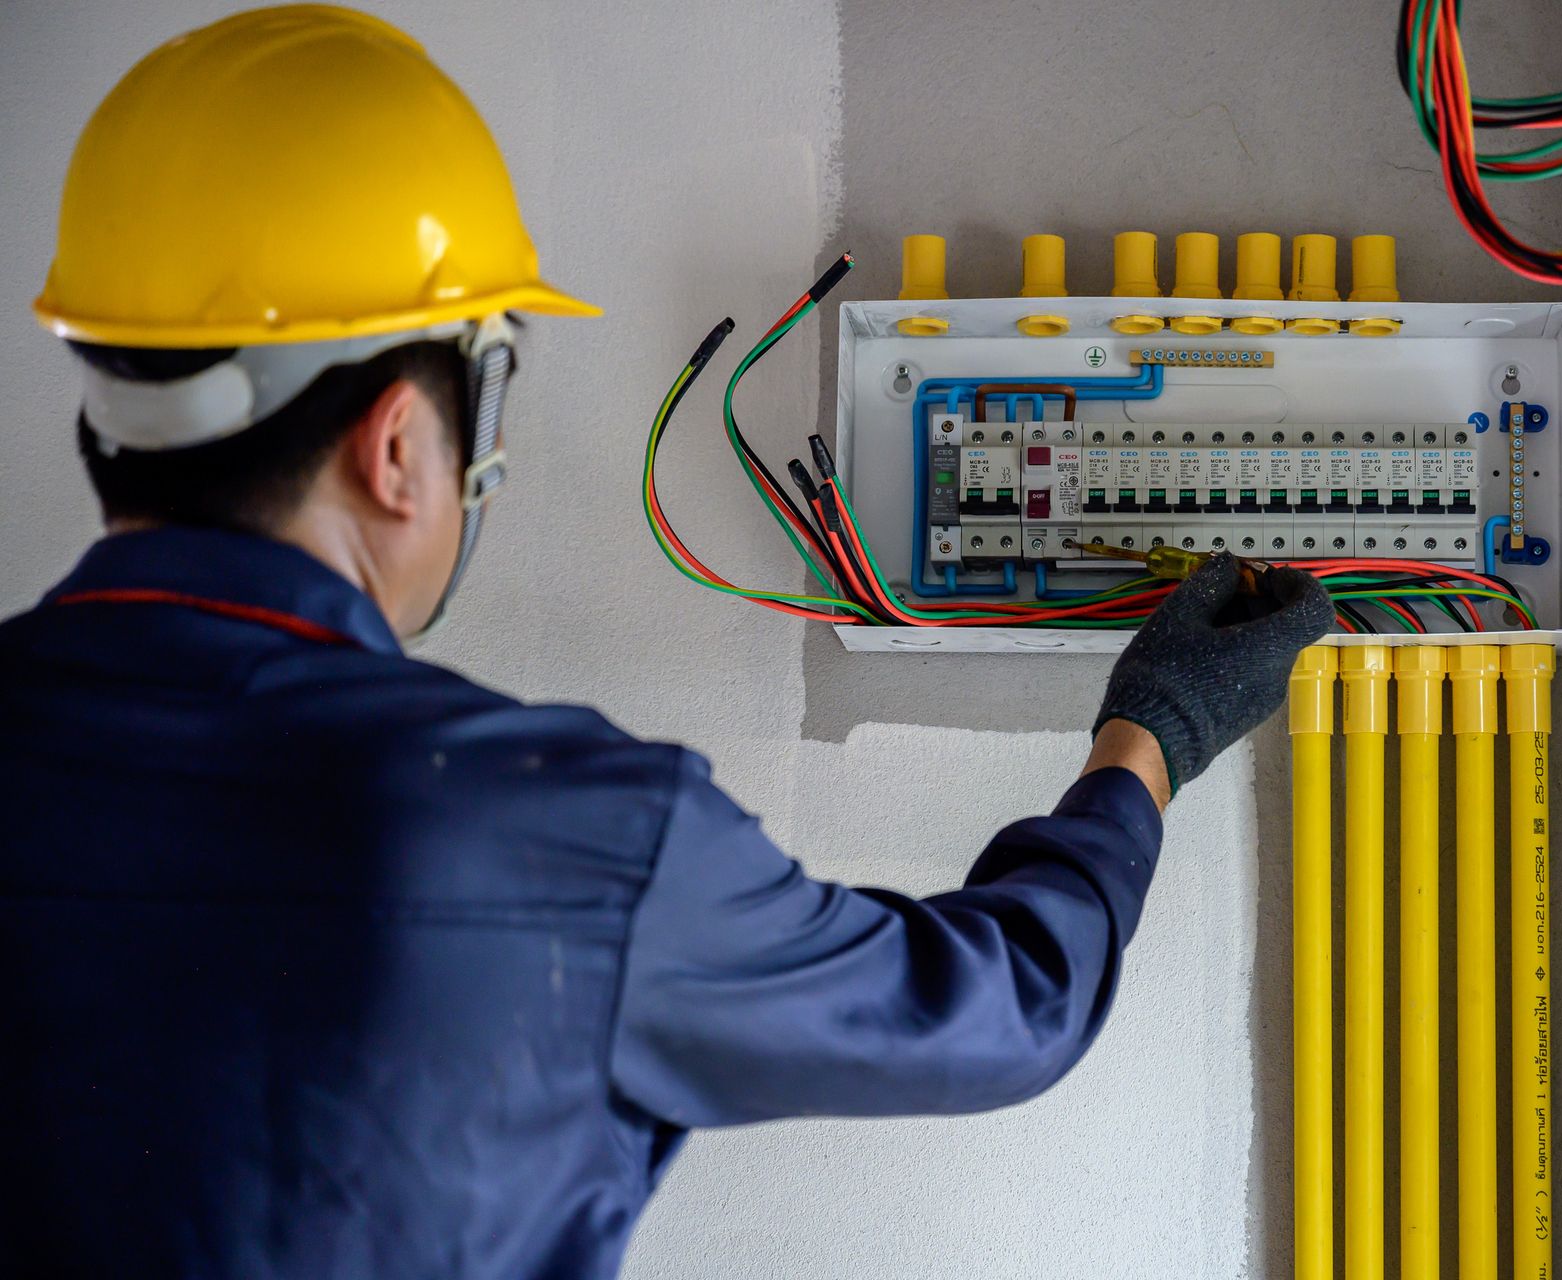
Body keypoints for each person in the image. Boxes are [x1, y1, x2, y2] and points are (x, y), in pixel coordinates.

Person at [0, 8, 1333, 1278]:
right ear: (400, 444)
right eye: (490, 388)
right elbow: (1004, 1005)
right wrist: (1154, 733)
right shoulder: (571, 838)